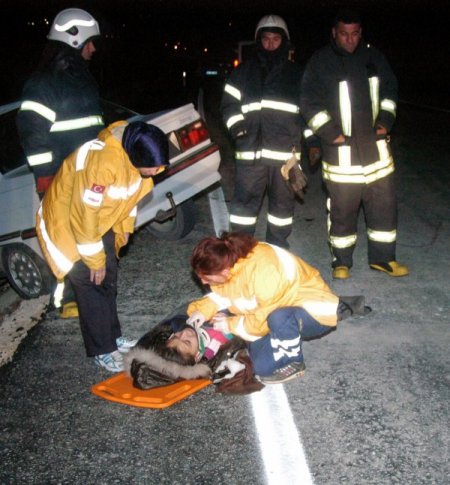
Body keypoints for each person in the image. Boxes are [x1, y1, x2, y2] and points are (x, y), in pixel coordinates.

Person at [36, 120, 169, 372]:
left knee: (108, 278)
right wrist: (94, 260)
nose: (156, 172)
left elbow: (128, 198)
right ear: (136, 157)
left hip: (99, 222)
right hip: (67, 223)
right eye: (153, 167)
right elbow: (83, 215)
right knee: (91, 283)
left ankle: (112, 338)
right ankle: (101, 349)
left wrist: (124, 227)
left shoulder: (135, 159)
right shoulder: (103, 162)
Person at [299, 8, 408, 279]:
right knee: (342, 210)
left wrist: (385, 122)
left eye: (355, 34)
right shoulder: (320, 61)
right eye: (344, 34)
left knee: (384, 207)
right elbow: (309, 103)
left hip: (376, 152)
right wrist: (331, 134)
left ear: (361, 33)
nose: (350, 39)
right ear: (334, 33)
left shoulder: (374, 57)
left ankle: (383, 259)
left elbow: (390, 90)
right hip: (341, 154)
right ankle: (341, 262)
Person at [185, 232, 368, 384]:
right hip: (273, 310)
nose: (203, 282)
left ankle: (294, 362)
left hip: (311, 309)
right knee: (264, 369)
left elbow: (262, 319)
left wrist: (230, 324)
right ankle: (298, 327)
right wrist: (202, 310)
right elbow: (224, 294)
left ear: (224, 271)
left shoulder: (264, 272)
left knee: (278, 318)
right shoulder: (230, 264)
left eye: (206, 277)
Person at [16, 8, 104, 317]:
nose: (93, 48)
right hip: (60, 180)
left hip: (86, 177)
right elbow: (32, 135)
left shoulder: (82, 81)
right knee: (65, 240)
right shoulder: (42, 85)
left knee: (88, 236)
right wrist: (46, 179)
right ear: (74, 40)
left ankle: (88, 293)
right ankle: (67, 300)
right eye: (89, 42)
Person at [221, 14, 306, 249]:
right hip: (251, 154)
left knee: (282, 209)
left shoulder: (296, 74)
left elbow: (307, 112)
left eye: (276, 39)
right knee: (243, 209)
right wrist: (238, 129)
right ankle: (239, 250)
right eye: (266, 39)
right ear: (259, 41)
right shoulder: (243, 72)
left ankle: (277, 249)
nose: (270, 44)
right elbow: (228, 104)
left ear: (284, 41)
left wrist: (314, 144)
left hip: (284, 157)